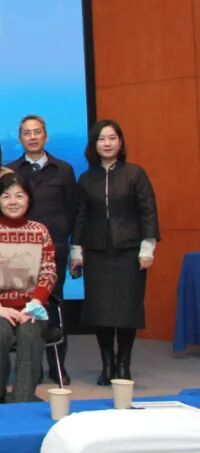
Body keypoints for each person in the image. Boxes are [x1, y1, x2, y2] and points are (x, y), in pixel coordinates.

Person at [71, 120, 159, 385]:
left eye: (112, 138)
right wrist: (76, 251)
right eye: (101, 139)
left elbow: (148, 212)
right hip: (97, 253)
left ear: (120, 142)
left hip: (129, 252)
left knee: (127, 310)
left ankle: (124, 363)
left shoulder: (135, 174)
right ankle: (107, 363)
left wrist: (147, 248)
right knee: (101, 311)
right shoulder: (86, 178)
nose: (107, 143)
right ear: (94, 145)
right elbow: (80, 217)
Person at [0, 174, 56, 403]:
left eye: (19, 196)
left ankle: (22, 401)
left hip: (31, 306)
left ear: (29, 199)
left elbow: (48, 272)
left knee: (30, 333)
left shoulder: (40, 231)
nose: (13, 202)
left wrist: (34, 305)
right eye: (6, 196)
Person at [6, 115, 77, 385]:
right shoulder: (11, 171)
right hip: (19, 252)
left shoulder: (64, 170)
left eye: (37, 132)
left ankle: (57, 365)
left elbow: (72, 209)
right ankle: (31, 366)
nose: (33, 137)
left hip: (54, 248)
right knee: (28, 307)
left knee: (54, 306)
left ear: (45, 136)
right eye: (27, 133)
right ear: (20, 138)